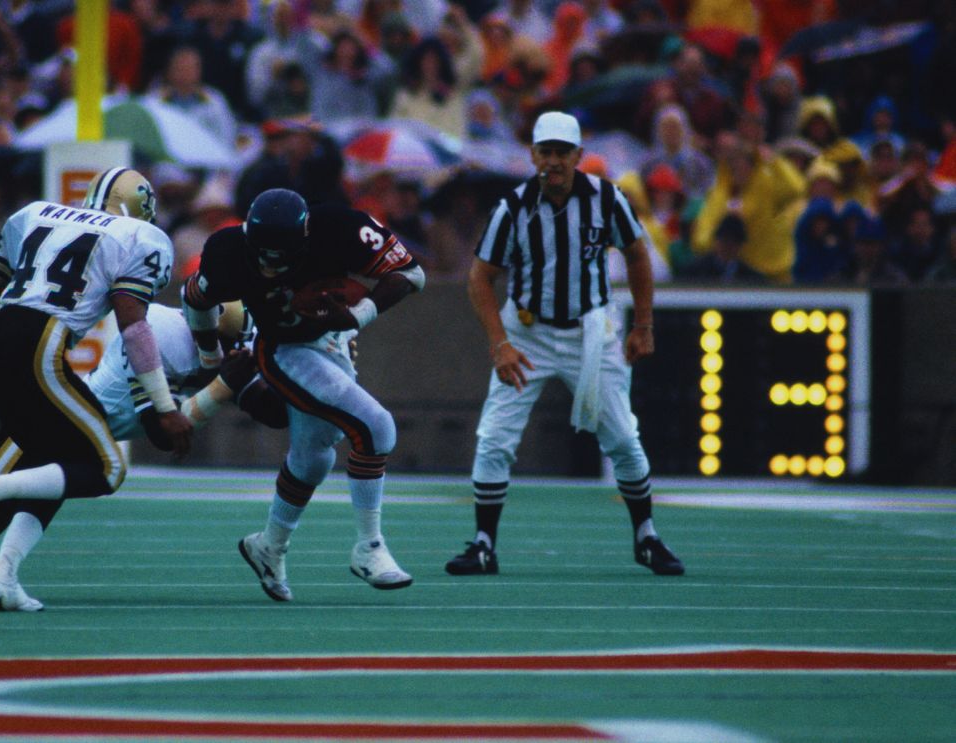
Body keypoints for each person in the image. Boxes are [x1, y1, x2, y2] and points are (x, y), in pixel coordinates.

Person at [0, 300, 284, 611]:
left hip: (76, 429)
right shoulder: (163, 333)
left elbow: (270, 412)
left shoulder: (230, 344)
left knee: (32, 480)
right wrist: (222, 388)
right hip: (63, 420)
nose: (225, 352)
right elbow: (164, 434)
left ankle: (2, 578)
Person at [444, 111, 684, 578]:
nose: (553, 162)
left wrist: (644, 325)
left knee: (622, 437)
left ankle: (647, 537)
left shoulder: (608, 199)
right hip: (528, 330)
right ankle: (483, 543)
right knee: (495, 436)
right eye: (546, 152)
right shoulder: (513, 207)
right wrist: (499, 344)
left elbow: (637, 254)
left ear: (578, 156)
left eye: (562, 153)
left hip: (591, 329)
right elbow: (480, 277)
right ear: (533, 155)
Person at [182, 188, 425, 601]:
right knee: (375, 426)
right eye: (264, 254)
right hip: (283, 349)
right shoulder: (228, 249)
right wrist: (210, 359)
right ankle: (369, 548)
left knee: (312, 459)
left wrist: (355, 317)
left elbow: (412, 274)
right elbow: (195, 298)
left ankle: (268, 546)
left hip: (331, 339)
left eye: (283, 254)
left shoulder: (339, 227)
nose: (272, 265)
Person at [0, 167, 195, 548]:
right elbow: (134, 326)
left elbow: (6, 281)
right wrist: (164, 405)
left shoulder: (33, 214)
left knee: (33, 456)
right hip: (39, 344)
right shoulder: (139, 236)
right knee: (107, 467)